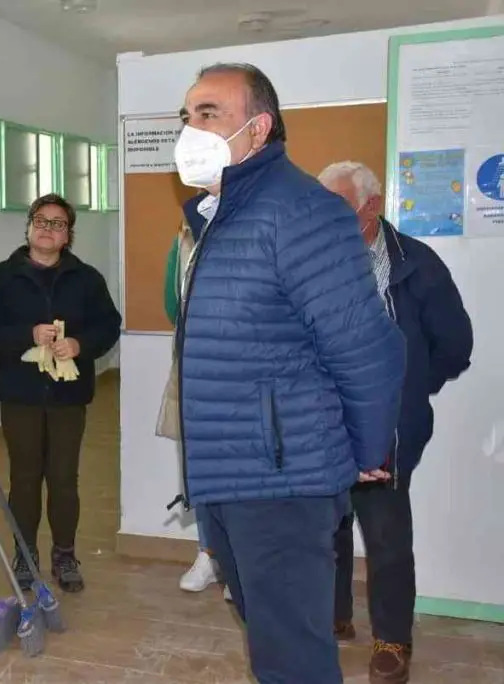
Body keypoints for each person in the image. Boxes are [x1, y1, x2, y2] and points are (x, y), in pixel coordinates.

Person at [168, 63, 407, 684]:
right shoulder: (221, 216)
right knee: (269, 638)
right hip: (230, 474)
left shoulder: (300, 211)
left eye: (209, 113)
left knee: (292, 658)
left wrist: (366, 448)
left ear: (258, 127)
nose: (190, 128)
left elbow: (369, 347)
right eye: (187, 115)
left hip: (281, 480)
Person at [320, 161, 473, 684]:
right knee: (326, 528)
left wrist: (411, 389)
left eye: (338, 205)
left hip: (385, 428)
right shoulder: (314, 263)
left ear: (372, 205)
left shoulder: (417, 264)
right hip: (322, 424)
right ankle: (334, 617)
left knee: (384, 535)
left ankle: (391, 638)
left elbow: (455, 343)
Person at [0, 194, 120, 594]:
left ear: (68, 235)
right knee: (24, 478)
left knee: (64, 479)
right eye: (41, 220)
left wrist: (79, 345)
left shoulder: (86, 279)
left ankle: (65, 554)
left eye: (57, 223)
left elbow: (108, 326)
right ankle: (25, 553)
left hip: (69, 398)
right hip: (20, 396)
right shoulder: (1, 277)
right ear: (28, 226)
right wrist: (27, 335)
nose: (47, 228)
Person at [159, 221, 220, 594]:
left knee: (240, 468)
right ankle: (208, 552)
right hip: (193, 366)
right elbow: (172, 304)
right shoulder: (182, 237)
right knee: (199, 466)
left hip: (245, 370)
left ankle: (236, 562)